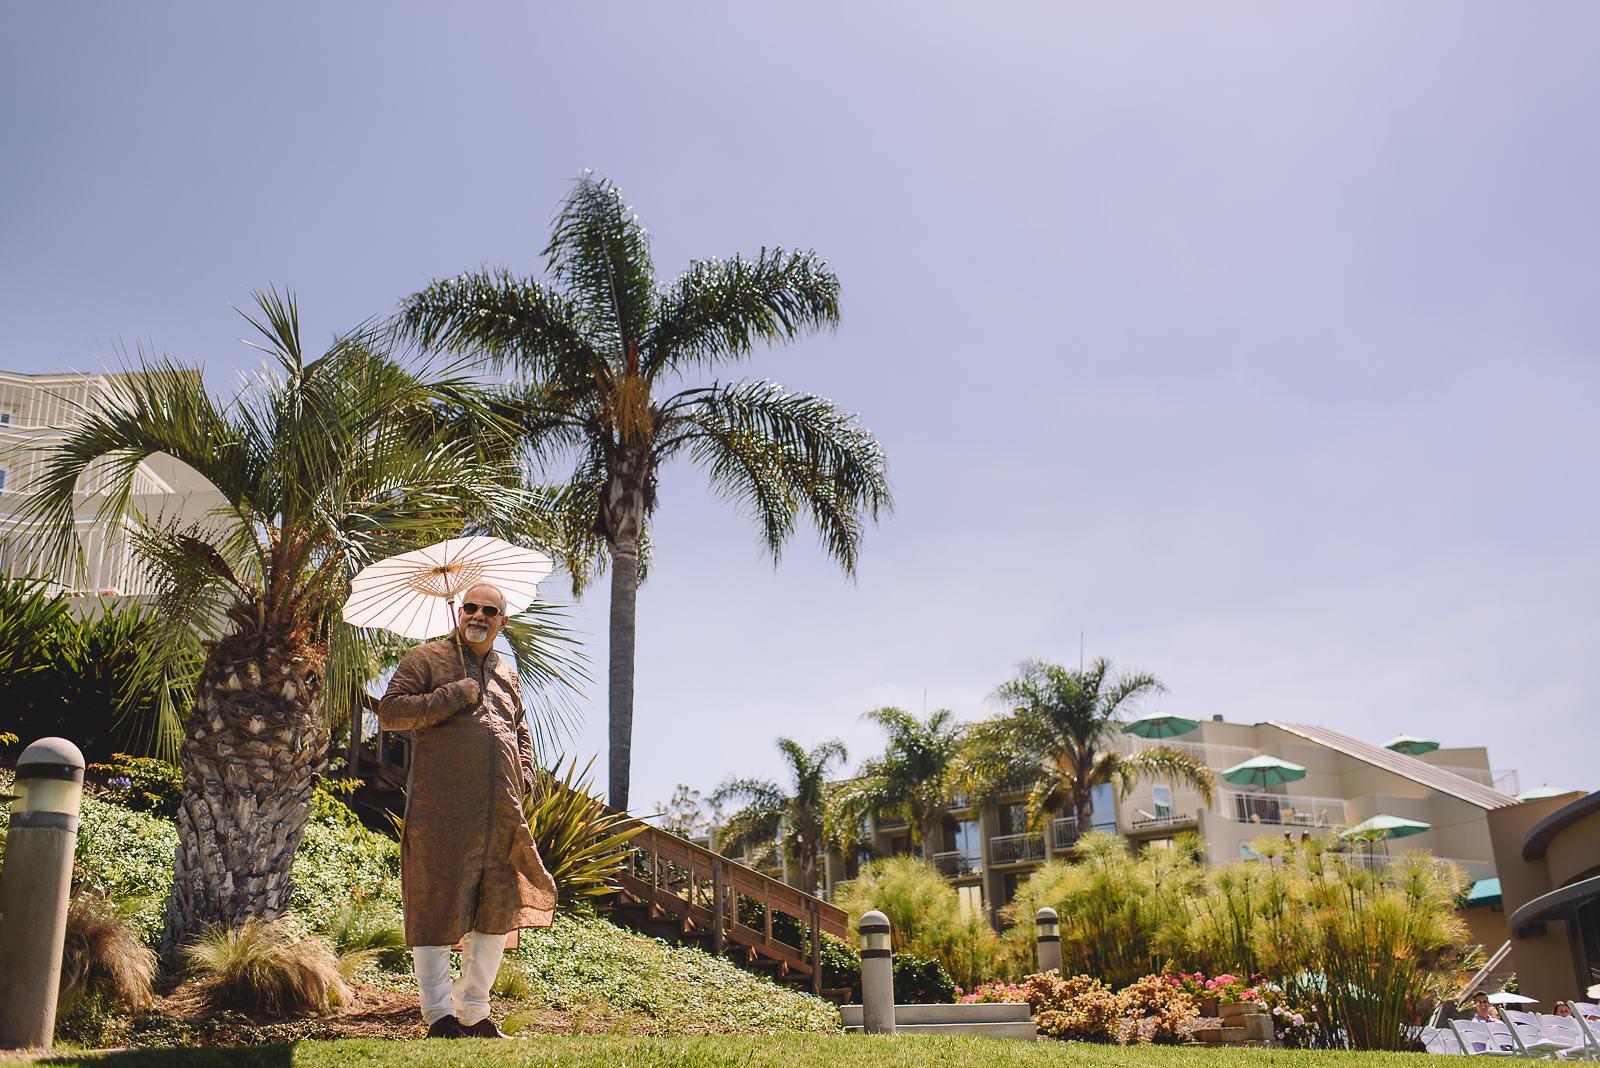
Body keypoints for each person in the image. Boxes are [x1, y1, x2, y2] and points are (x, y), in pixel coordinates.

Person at [379, 582, 556, 1039]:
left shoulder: (506, 672)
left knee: (495, 907)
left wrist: (525, 776)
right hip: (442, 809)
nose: (477, 615)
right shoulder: (427, 659)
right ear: (459, 612)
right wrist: (453, 696)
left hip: (501, 813)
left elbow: (520, 731)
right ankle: (439, 1015)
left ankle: (475, 1012)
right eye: (470, 607)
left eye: (488, 610)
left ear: (503, 621)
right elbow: (391, 712)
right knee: (435, 902)